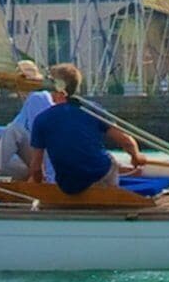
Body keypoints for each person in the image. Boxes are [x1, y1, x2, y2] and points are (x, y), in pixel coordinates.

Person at [13, 62, 139, 198]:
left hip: (69, 185)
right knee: (109, 162)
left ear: (58, 87)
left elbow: (36, 168)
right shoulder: (91, 109)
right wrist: (136, 157)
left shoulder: (42, 119)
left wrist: (39, 187)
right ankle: (113, 197)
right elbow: (126, 141)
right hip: (100, 174)